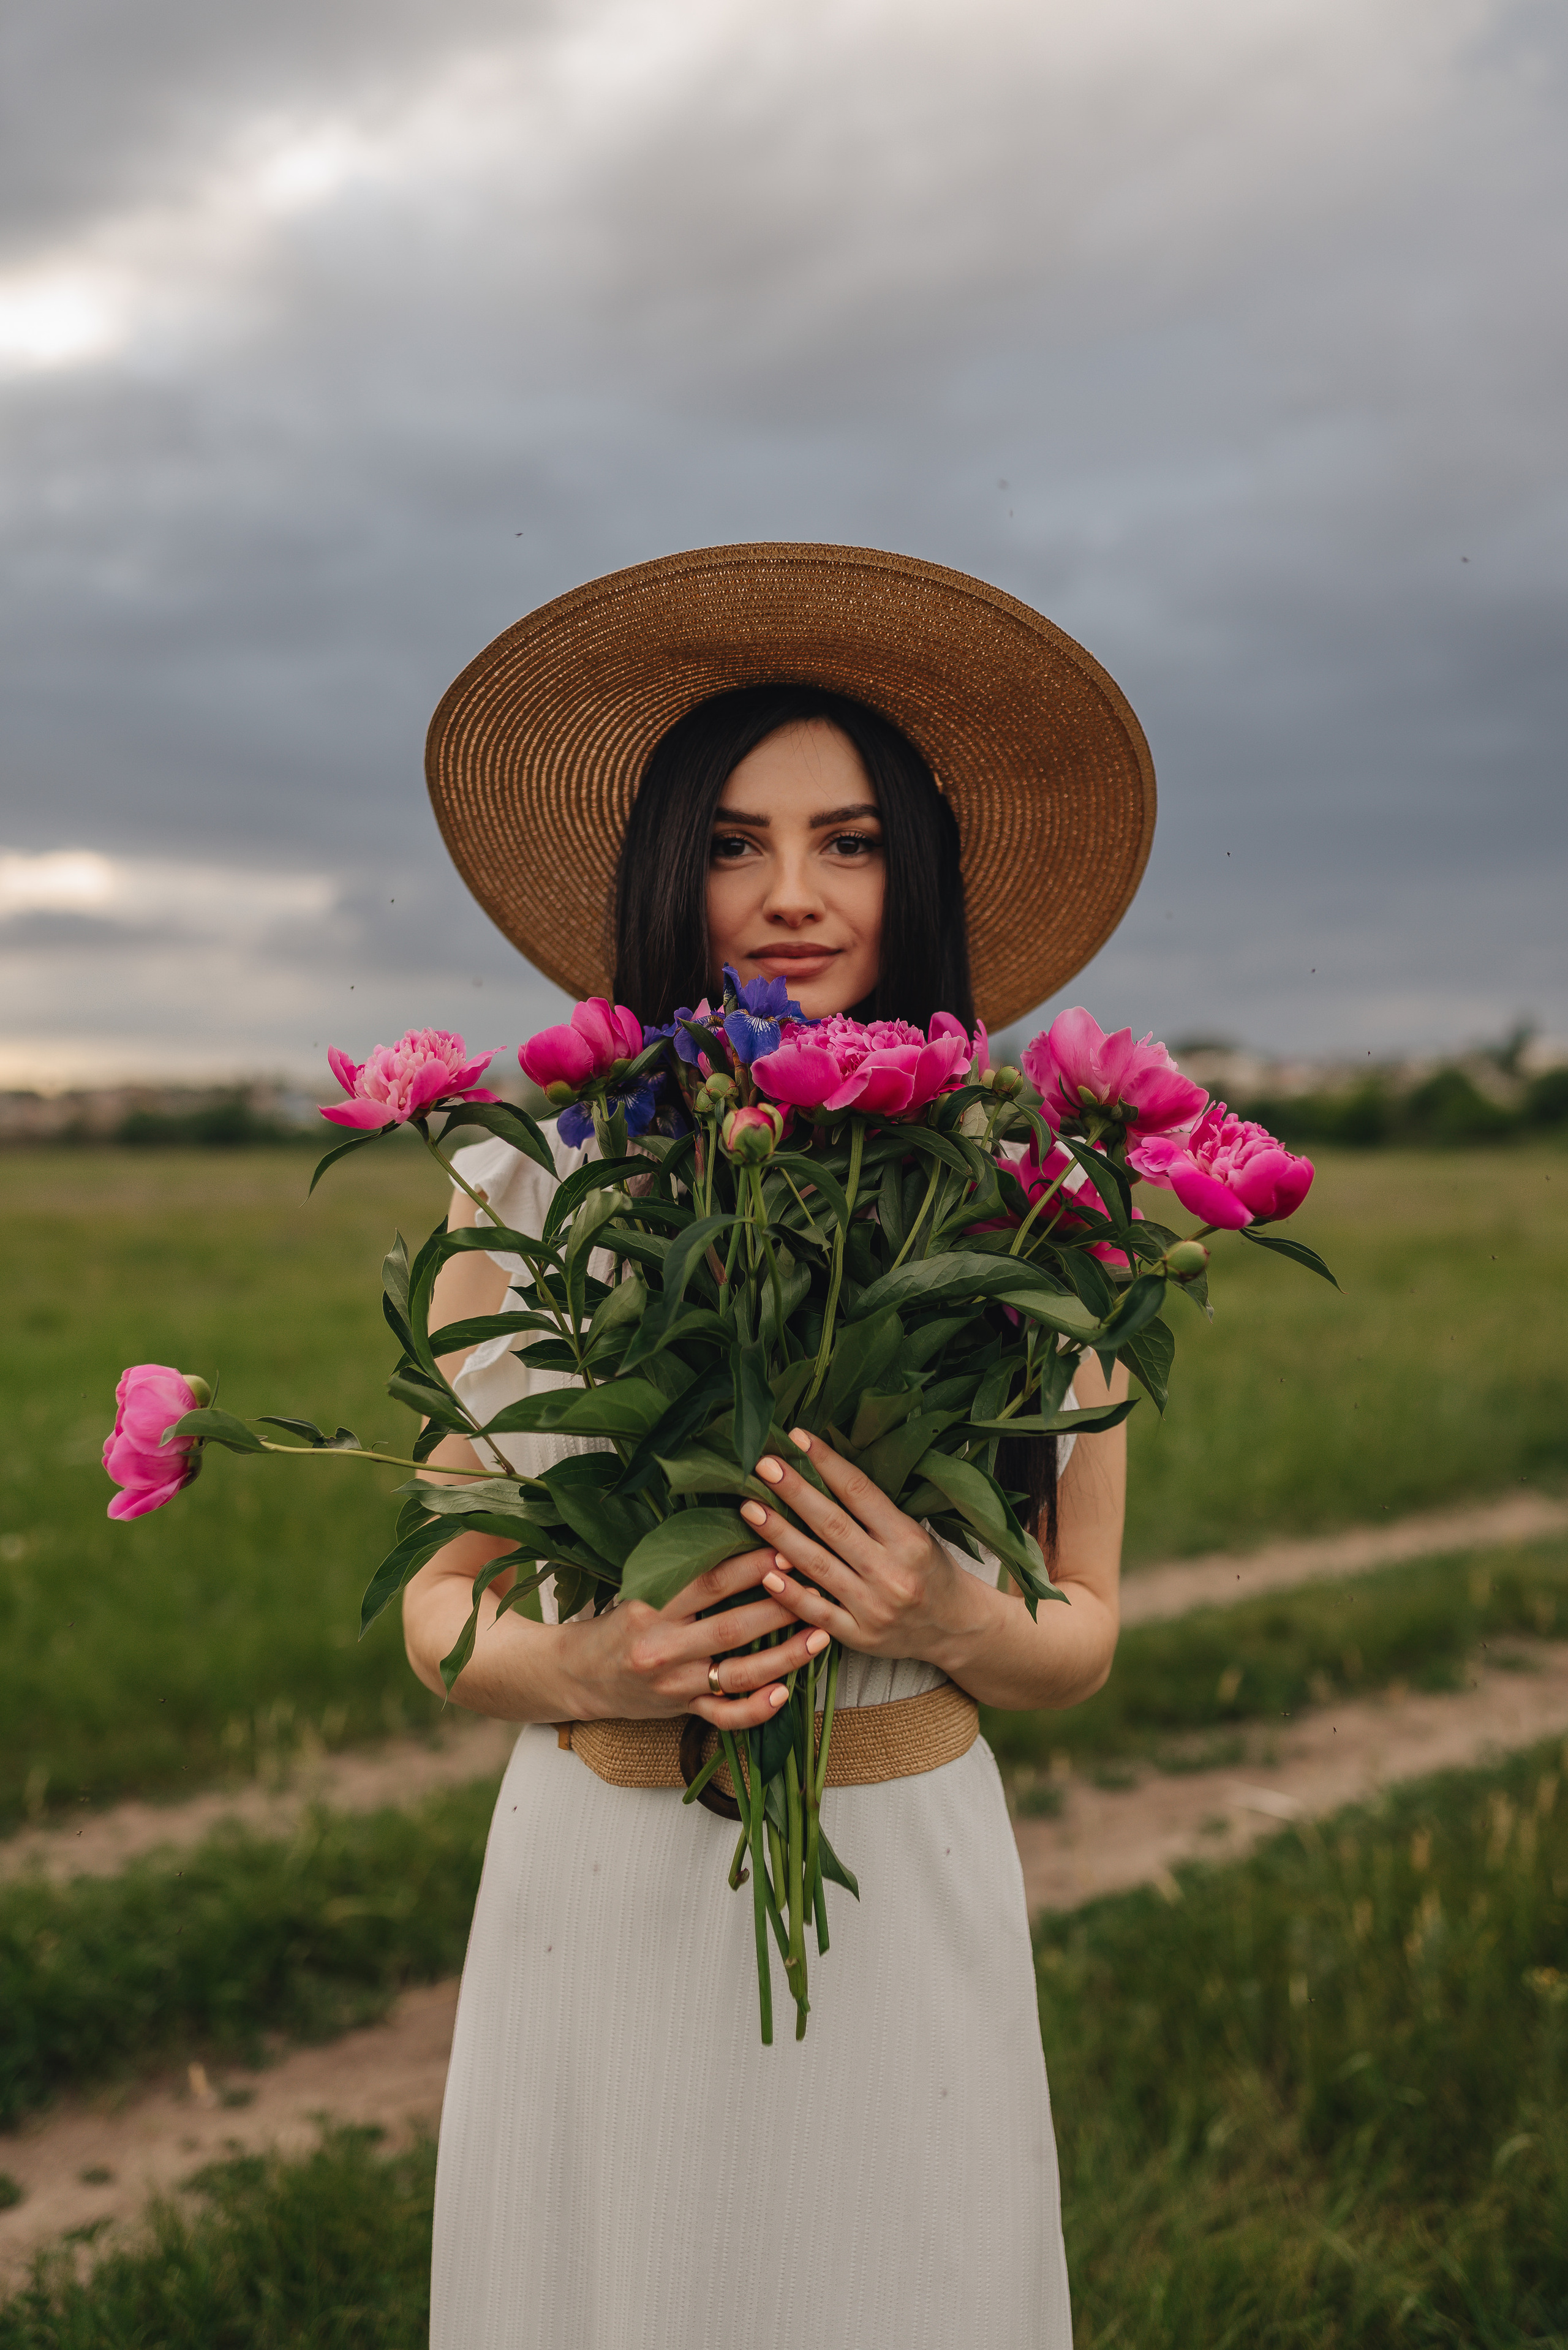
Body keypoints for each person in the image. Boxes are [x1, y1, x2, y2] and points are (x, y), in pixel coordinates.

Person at [407, 544, 1158, 2349]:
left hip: (904, 1873)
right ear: (671, 870)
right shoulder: (523, 1183)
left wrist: (952, 1615)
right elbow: (435, 1607)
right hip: (612, 1878)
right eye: (736, 842)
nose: (791, 895)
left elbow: (1086, 1628)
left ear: (923, 877)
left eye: (853, 841)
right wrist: (578, 1660)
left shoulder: (1044, 1202)